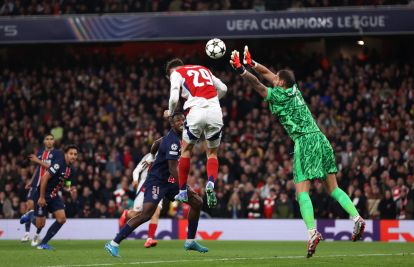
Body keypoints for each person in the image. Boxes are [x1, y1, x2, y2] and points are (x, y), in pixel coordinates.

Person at [229, 46, 366, 258]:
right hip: (321, 138)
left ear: (281, 83)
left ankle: (312, 232)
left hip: (305, 141)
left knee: (302, 191)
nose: (273, 80)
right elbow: (267, 74)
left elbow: (258, 84)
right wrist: (252, 62)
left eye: (277, 79)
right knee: (333, 188)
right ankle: (356, 218)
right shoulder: (294, 89)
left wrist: (241, 70)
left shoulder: (278, 95)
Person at [105, 112, 208, 257]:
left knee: (197, 202)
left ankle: (190, 241)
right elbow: (173, 168)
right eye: (177, 120)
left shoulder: (177, 136)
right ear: (172, 124)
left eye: (182, 120)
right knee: (146, 214)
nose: (181, 122)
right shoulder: (172, 141)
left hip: (169, 181)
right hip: (157, 181)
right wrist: (184, 187)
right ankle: (113, 243)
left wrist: (152, 156)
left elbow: (156, 143)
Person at [164, 58, 227, 208]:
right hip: (215, 111)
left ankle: (182, 191)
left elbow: (173, 98)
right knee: (212, 153)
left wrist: (170, 113)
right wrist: (211, 101)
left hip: (195, 112)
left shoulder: (176, 73)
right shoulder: (202, 68)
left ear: (169, 75)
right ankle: (210, 182)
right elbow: (223, 89)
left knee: (186, 150)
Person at [34, 144, 78, 250]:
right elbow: (44, 178)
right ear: (66, 154)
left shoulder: (71, 170)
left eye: (75, 154)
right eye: (71, 154)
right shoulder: (58, 164)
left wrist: (70, 189)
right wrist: (41, 197)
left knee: (62, 219)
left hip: (54, 196)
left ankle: (43, 243)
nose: (73, 156)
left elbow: (66, 185)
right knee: (40, 224)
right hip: (43, 194)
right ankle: (29, 216)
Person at [119, 142, 163, 248]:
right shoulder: (148, 157)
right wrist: (135, 180)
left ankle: (149, 239)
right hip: (144, 186)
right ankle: (127, 213)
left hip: (158, 186)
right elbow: (136, 170)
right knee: (139, 214)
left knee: (156, 211)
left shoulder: (167, 158)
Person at [20, 133, 57, 246]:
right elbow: (38, 168)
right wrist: (31, 181)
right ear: (44, 142)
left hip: (47, 187)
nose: (49, 141)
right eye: (47, 139)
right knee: (29, 205)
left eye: (51, 139)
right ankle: (27, 233)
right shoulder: (40, 153)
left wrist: (37, 161)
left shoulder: (57, 154)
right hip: (36, 183)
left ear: (54, 141)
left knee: (41, 220)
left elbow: (52, 168)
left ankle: (36, 234)